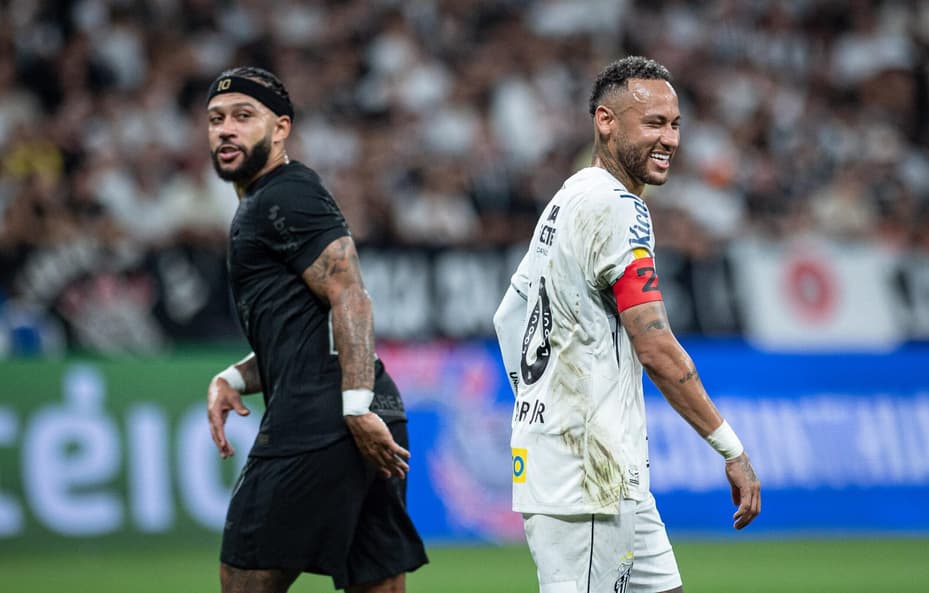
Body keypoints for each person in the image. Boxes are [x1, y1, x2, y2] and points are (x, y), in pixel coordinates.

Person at [493, 56, 761, 593]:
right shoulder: (618, 209)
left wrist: (537, 400)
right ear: (605, 121)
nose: (670, 139)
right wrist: (731, 449)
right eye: (654, 123)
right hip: (589, 470)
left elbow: (510, 316)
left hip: (604, 471)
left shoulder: (568, 197)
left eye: (675, 124)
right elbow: (655, 345)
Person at [203, 66, 428, 593]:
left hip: (323, 420)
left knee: (244, 578)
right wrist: (233, 380)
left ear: (280, 129)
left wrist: (354, 408)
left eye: (243, 116)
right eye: (216, 120)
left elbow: (350, 293)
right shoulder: (269, 201)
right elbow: (305, 332)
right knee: (377, 584)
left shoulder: (284, 194)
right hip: (365, 416)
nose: (226, 130)